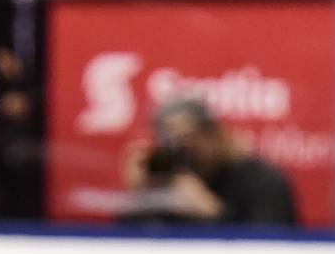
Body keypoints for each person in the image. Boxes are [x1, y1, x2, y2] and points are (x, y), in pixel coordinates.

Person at [118, 96, 298, 227]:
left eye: (189, 139)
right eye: (170, 143)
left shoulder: (261, 182)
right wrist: (140, 197)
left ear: (214, 135)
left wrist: (215, 213)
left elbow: (273, 248)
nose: (183, 151)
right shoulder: (166, 178)